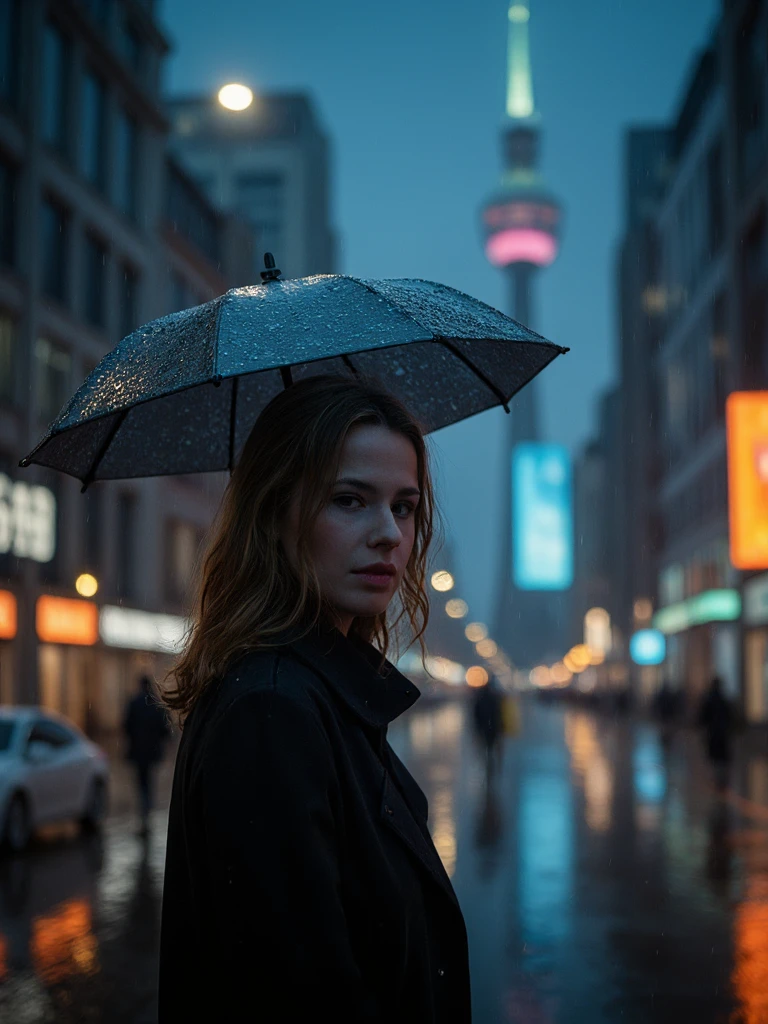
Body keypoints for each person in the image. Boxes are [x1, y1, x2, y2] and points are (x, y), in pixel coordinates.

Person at [158, 375, 471, 1023]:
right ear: (275, 515)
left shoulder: (318, 693)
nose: (389, 533)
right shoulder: (273, 711)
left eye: (405, 507)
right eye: (350, 500)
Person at [122, 674, 171, 835]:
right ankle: (147, 811)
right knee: (149, 781)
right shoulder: (155, 704)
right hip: (152, 750)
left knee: (142, 781)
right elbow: (165, 728)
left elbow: (126, 726)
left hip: (138, 750)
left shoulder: (134, 702)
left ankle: (144, 813)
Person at [697, 676, 733, 791]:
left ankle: (718, 777)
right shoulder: (724, 699)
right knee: (722, 755)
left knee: (715, 755)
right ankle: (721, 777)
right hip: (722, 732)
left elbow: (703, 717)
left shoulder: (709, 700)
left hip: (713, 732)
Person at [470, 675, 504, 776]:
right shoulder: (496, 697)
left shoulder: (479, 697)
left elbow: (476, 714)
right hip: (494, 727)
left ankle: (487, 763)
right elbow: (499, 714)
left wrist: (476, 727)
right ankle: (493, 764)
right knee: (493, 746)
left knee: (485, 746)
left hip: (484, 727)